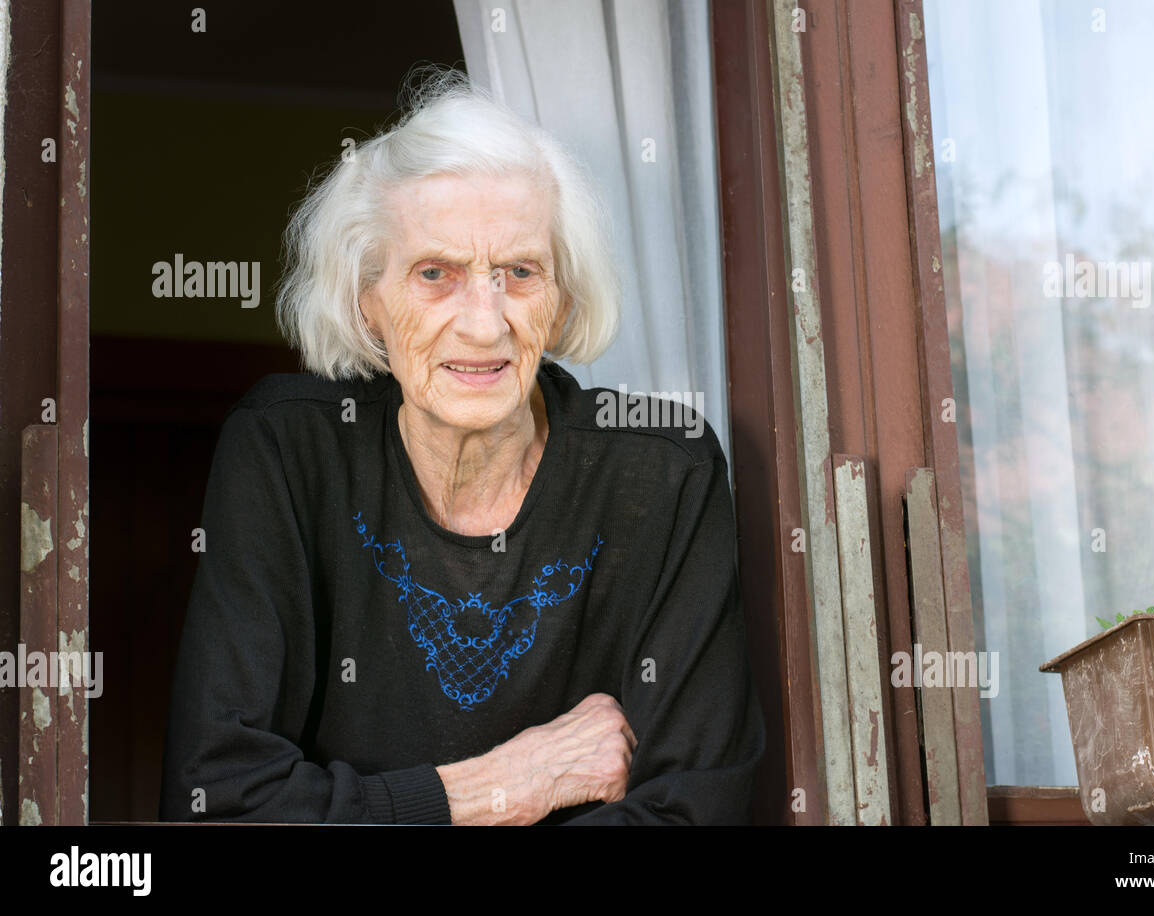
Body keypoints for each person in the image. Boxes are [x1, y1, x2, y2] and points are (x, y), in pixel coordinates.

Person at [159, 69, 764, 825]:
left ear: (564, 297)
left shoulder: (662, 474)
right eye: (435, 274)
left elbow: (693, 810)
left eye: (519, 272)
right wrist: (507, 785)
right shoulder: (289, 454)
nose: (484, 323)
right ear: (365, 301)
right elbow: (218, 801)